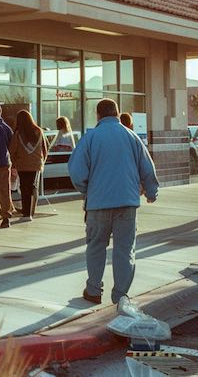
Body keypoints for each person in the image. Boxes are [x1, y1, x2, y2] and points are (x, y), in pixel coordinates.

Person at [68, 98, 159, 305]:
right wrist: (151, 191)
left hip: (98, 204)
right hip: (127, 203)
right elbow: (147, 166)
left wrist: (87, 190)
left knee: (96, 246)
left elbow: (76, 171)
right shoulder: (131, 136)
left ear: (98, 115)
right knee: (125, 250)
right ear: (118, 114)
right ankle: (120, 296)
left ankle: (93, 290)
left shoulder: (90, 137)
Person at [9, 110, 48, 221]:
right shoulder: (39, 132)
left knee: (24, 187)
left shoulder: (18, 134)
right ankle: (30, 212)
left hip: (22, 165)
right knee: (32, 188)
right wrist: (42, 161)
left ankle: (26, 213)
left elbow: (12, 150)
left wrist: (14, 163)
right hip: (36, 165)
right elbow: (45, 149)